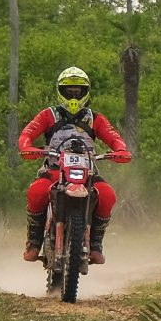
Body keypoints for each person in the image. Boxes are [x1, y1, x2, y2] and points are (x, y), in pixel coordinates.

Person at [18, 66, 131, 264]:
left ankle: (95, 244)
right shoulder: (48, 115)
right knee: (36, 191)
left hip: (88, 173)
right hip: (54, 171)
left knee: (107, 195)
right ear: (60, 91)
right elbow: (28, 133)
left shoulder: (95, 118)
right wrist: (27, 147)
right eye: (68, 91)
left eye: (77, 91)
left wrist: (120, 150)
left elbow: (114, 137)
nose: (73, 96)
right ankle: (34, 242)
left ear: (85, 92)